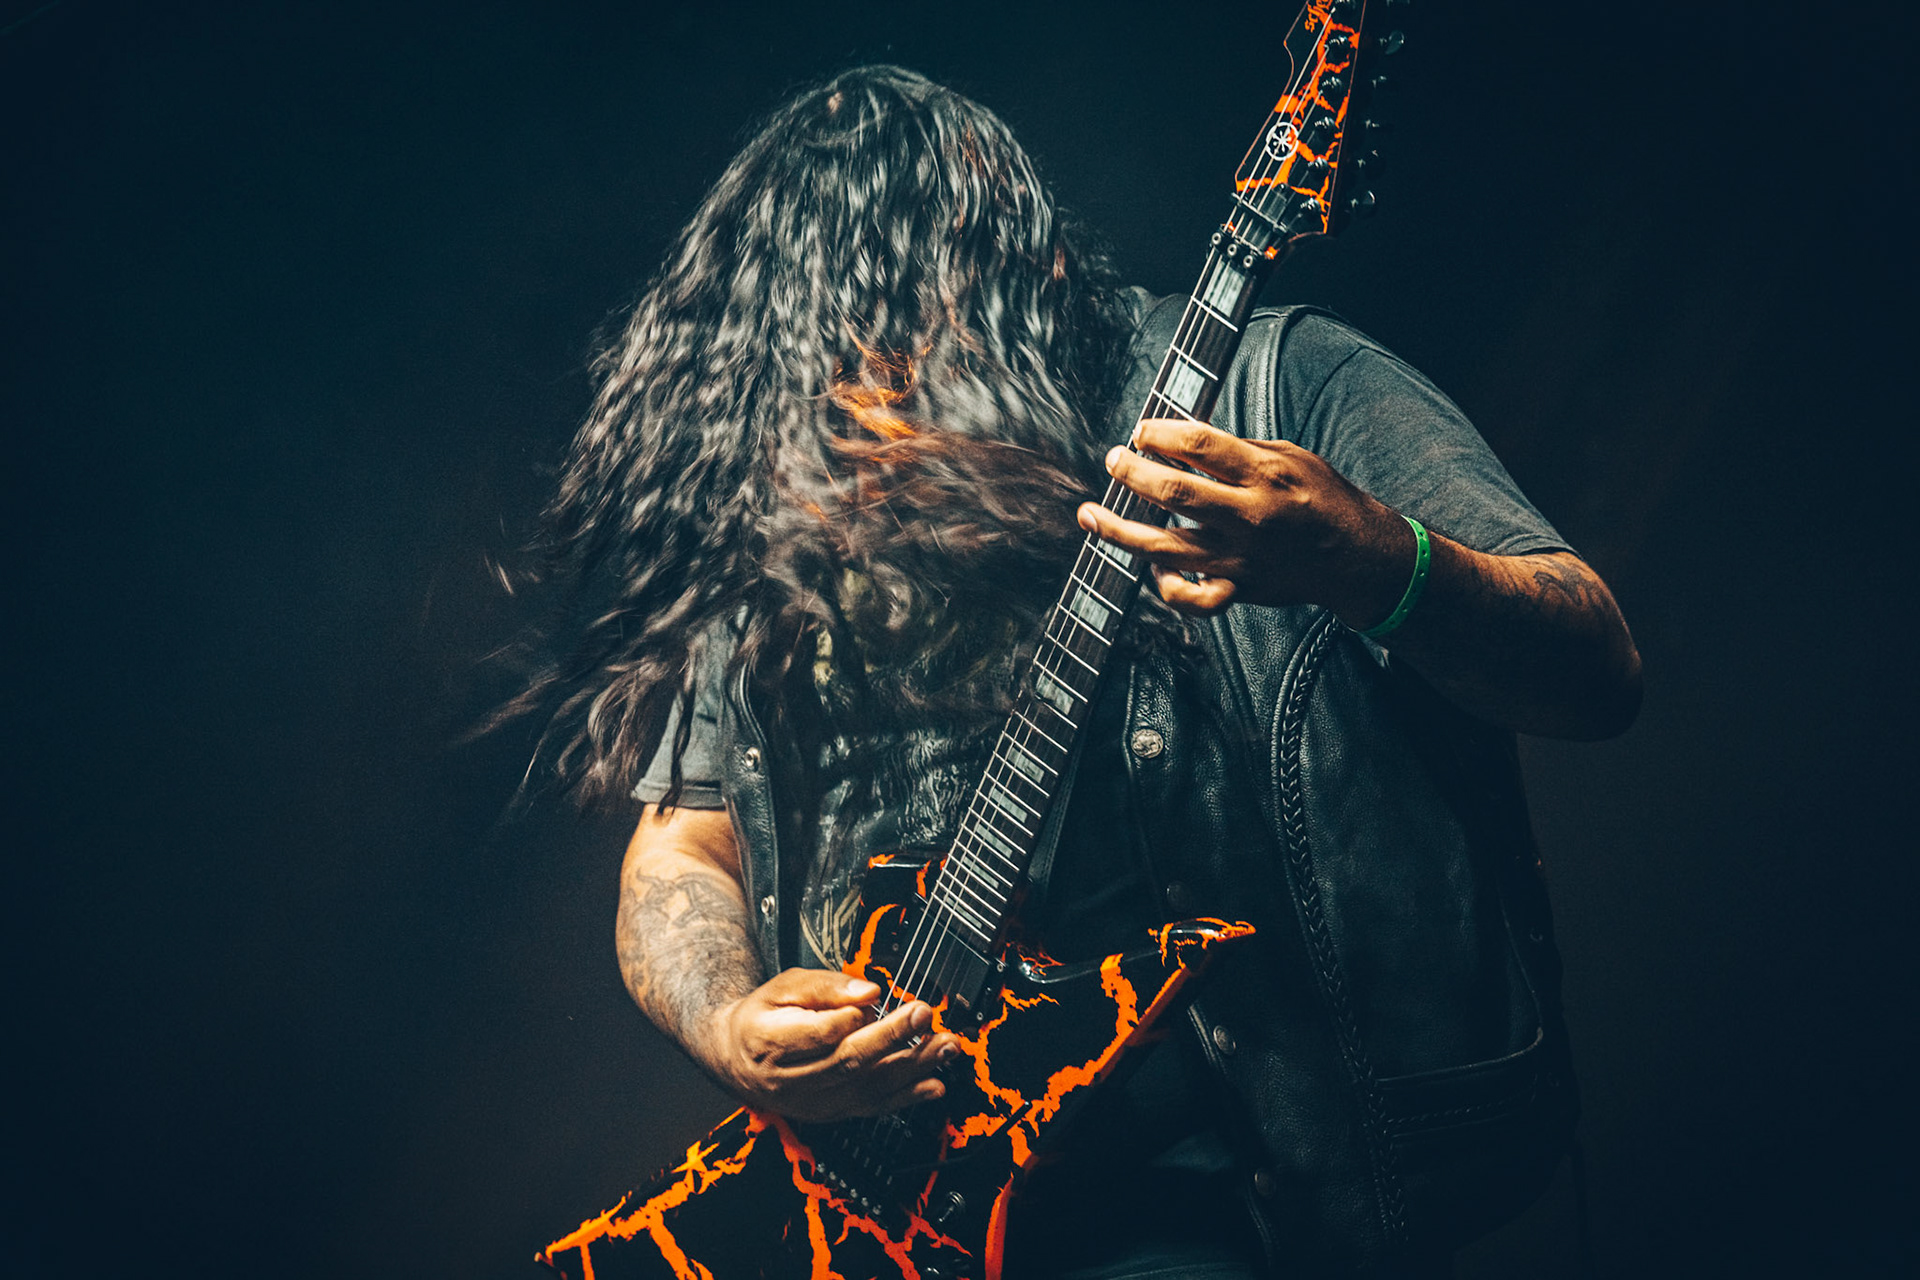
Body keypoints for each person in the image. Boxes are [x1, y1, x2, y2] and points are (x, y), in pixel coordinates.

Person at [532, 66, 1640, 1278]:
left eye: (896, 357)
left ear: (1026, 280)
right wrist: (731, 1024)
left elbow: (1596, 666)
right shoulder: (806, 511)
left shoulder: (1277, 391)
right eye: (824, 381)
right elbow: (680, 849)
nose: (863, 417)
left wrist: (1362, 554)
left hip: (1275, 1204)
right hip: (913, 1228)